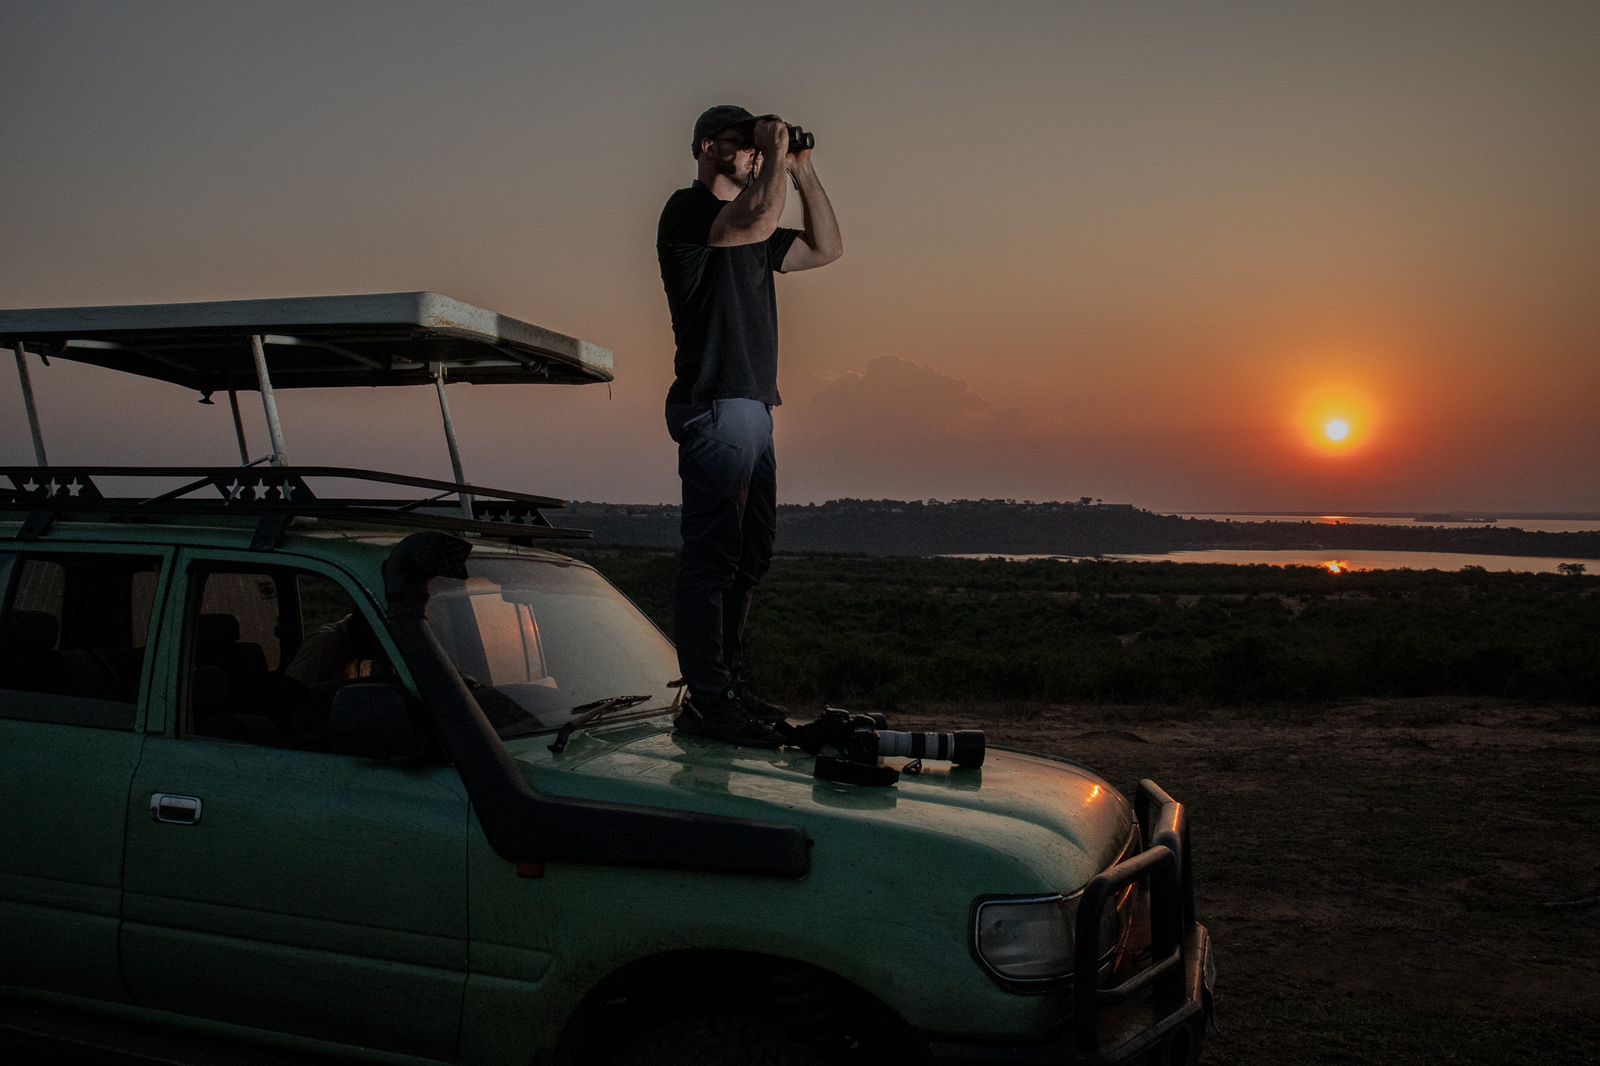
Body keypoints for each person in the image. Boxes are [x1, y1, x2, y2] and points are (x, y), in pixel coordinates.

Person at [657, 104, 842, 747]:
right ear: (708, 147)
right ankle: (707, 701)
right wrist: (773, 162)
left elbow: (826, 248)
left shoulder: (757, 224)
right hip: (715, 402)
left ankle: (728, 689)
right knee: (712, 554)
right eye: (744, 143)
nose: (756, 153)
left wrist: (802, 169)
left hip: (755, 408)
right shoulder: (689, 212)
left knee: (750, 554)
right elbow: (758, 216)